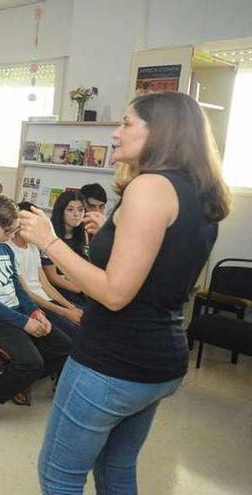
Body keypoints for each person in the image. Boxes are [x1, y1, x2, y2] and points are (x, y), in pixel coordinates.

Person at [29, 91, 230, 493]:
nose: (116, 133)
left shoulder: (150, 187)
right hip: (159, 359)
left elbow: (116, 293)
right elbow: (164, 271)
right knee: (116, 467)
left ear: (160, 133)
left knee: (59, 475)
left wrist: (49, 242)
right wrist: (112, 231)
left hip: (112, 362)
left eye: (126, 124)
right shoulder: (198, 192)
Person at [0, 194, 71, 438]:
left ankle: (19, 383)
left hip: (15, 311)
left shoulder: (4, 248)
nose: (11, 235)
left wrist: (35, 311)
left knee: (64, 346)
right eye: (7, 230)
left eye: (14, 230)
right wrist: (24, 323)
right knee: (31, 362)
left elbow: (18, 288)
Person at [9, 201, 83, 340]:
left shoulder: (32, 247)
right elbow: (27, 293)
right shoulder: (9, 249)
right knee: (74, 338)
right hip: (32, 305)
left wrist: (70, 307)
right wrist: (65, 312)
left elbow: (45, 284)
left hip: (47, 300)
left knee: (85, 321)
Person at [41, 191, 88, 306]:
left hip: (79, 285)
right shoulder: (50, 234)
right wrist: (81, 289)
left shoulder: (83, 233)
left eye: (81, 209)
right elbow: (52, 276)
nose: (76, 214)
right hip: (58, 289)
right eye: (70, 210)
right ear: (61, 211)